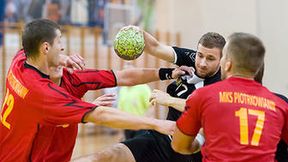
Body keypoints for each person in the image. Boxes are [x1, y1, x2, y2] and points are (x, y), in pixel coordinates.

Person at [0, 19, 187, 162]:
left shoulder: (20, 61)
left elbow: (124, 77)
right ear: (46, 48)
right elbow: (102, 116)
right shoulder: (42, 93)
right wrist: (155, 123)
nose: (63, 47)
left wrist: (168, 72)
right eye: (59, 42)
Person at [73, 31, 226, 162]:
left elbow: (206, 108)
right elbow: (155, 47)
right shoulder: (191, 58)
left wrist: (169, 100)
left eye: (210, 58)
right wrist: (135, 32)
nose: (202, 63)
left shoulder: (223, 82)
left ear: (222, 60)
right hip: (166, 136)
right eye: (200, 55)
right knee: (111, 154)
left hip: (194, 149)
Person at [172, 32, 288, 161]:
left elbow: (179, 145)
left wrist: (200, 140)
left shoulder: (203, 96)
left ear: (228, 64)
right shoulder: (280, 105)